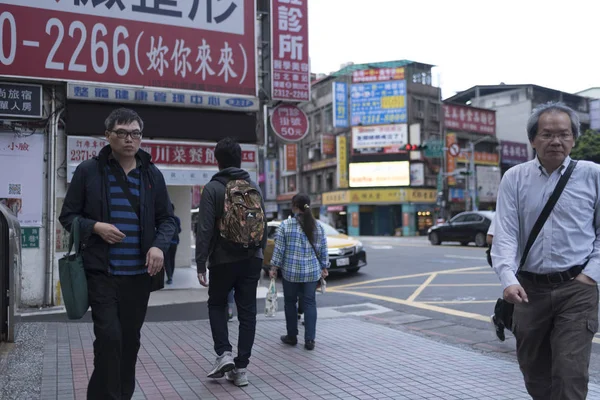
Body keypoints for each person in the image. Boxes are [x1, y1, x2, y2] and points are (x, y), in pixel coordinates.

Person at [59, 107, 176, 400]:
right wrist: (95, 226)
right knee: (110, 338)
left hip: (139, 278)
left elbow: (168, 219)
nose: (129, 139)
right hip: (102, 273)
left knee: (128, 342)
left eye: (135, 133)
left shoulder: (152, 175)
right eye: (122, 133)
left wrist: (158, 245)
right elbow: (68, 216)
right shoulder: (88, 171)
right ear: (107, 135)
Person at [492, 102, 600, 400]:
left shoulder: (593, 175)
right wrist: (507, 279)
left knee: (570, 373)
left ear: (574, 138)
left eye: (564, 134)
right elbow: (505, 233)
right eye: (547, 134)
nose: (556, 141)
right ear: (533, 139)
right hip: (528, 290)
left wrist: (591, 275)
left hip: (577, 290)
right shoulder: (515, 177)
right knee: (534, 372)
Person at [195, 137, 267, 387]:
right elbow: (263, 226)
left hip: (222, 259)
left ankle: (224, 353)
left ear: (218, 161)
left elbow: (204, 230)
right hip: (252, 259)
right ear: (240, 159)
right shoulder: (253, 188)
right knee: (248, 313)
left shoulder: (213, 188)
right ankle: (242, 369)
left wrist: (200, 263)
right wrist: (258, 255)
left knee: (216, 304)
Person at [269, 193, 329, 351]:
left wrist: (274, 267)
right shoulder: (319, 227)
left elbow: (279, 250)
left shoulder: (285, 225)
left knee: (290, 303)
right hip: (311, 273)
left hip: (291, 272)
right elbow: (323, 250)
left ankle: (292, 336)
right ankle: (310, 340)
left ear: (295, 206)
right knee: (310, 303)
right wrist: (324, 266)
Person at [165, 203, 181, 284]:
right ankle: (171, 276)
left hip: (167, 242)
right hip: (174, 242)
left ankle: (169, 277)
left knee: (167, 260)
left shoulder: (165, 219)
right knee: (172, 259)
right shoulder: (177, 219)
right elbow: (179, 230)